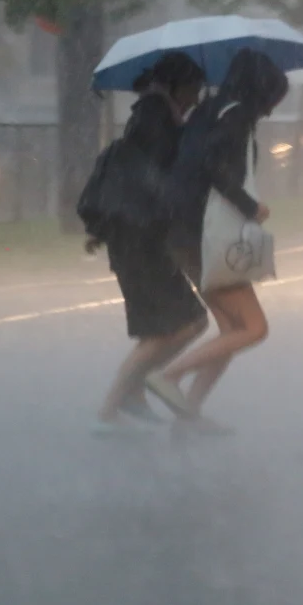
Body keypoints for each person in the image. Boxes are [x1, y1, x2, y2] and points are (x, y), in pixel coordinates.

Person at [145, 49, 288, 431]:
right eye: (272, 99)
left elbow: (193, 164)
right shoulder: (236, 115)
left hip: (180, 230)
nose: (270, 110)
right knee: (255, 328)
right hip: (203, 234)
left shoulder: (209, 111)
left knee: (230, 328)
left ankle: (188, 414)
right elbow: (213, 167)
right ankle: (168, 377)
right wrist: (249, 206)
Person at [90, 52, 208, 435]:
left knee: (172, 327)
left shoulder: (152, 116)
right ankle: (113, 407)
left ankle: (133, 395)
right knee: (184, 324)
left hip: (138, 239)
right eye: (193, 88)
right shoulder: (157, 122)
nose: (197, 96)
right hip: (142, 240)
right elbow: (161, 184)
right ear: (175, 85)